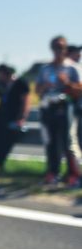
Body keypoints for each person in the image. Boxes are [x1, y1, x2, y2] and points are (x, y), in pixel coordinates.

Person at [36, 36, 81, 186]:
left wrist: (67, 83)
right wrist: (45, 86)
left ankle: (74, 174)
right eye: (55, 47)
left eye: (61, 47)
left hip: (66, 107)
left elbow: (79, 90)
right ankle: (53, 173)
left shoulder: (73, 68)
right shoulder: (45, 69)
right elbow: (37, 89)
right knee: (51, 142)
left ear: (65, 49)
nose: (58, 51)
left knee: (68, 141)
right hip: (49, 107)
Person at [0, 64, 30, 174]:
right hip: (0, 116)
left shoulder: (20, 83)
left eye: (0, 74)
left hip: (14, 116)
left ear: (7, 73)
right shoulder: (0, 83)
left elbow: (26, 101)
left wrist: (22, 117)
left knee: (6, 141)